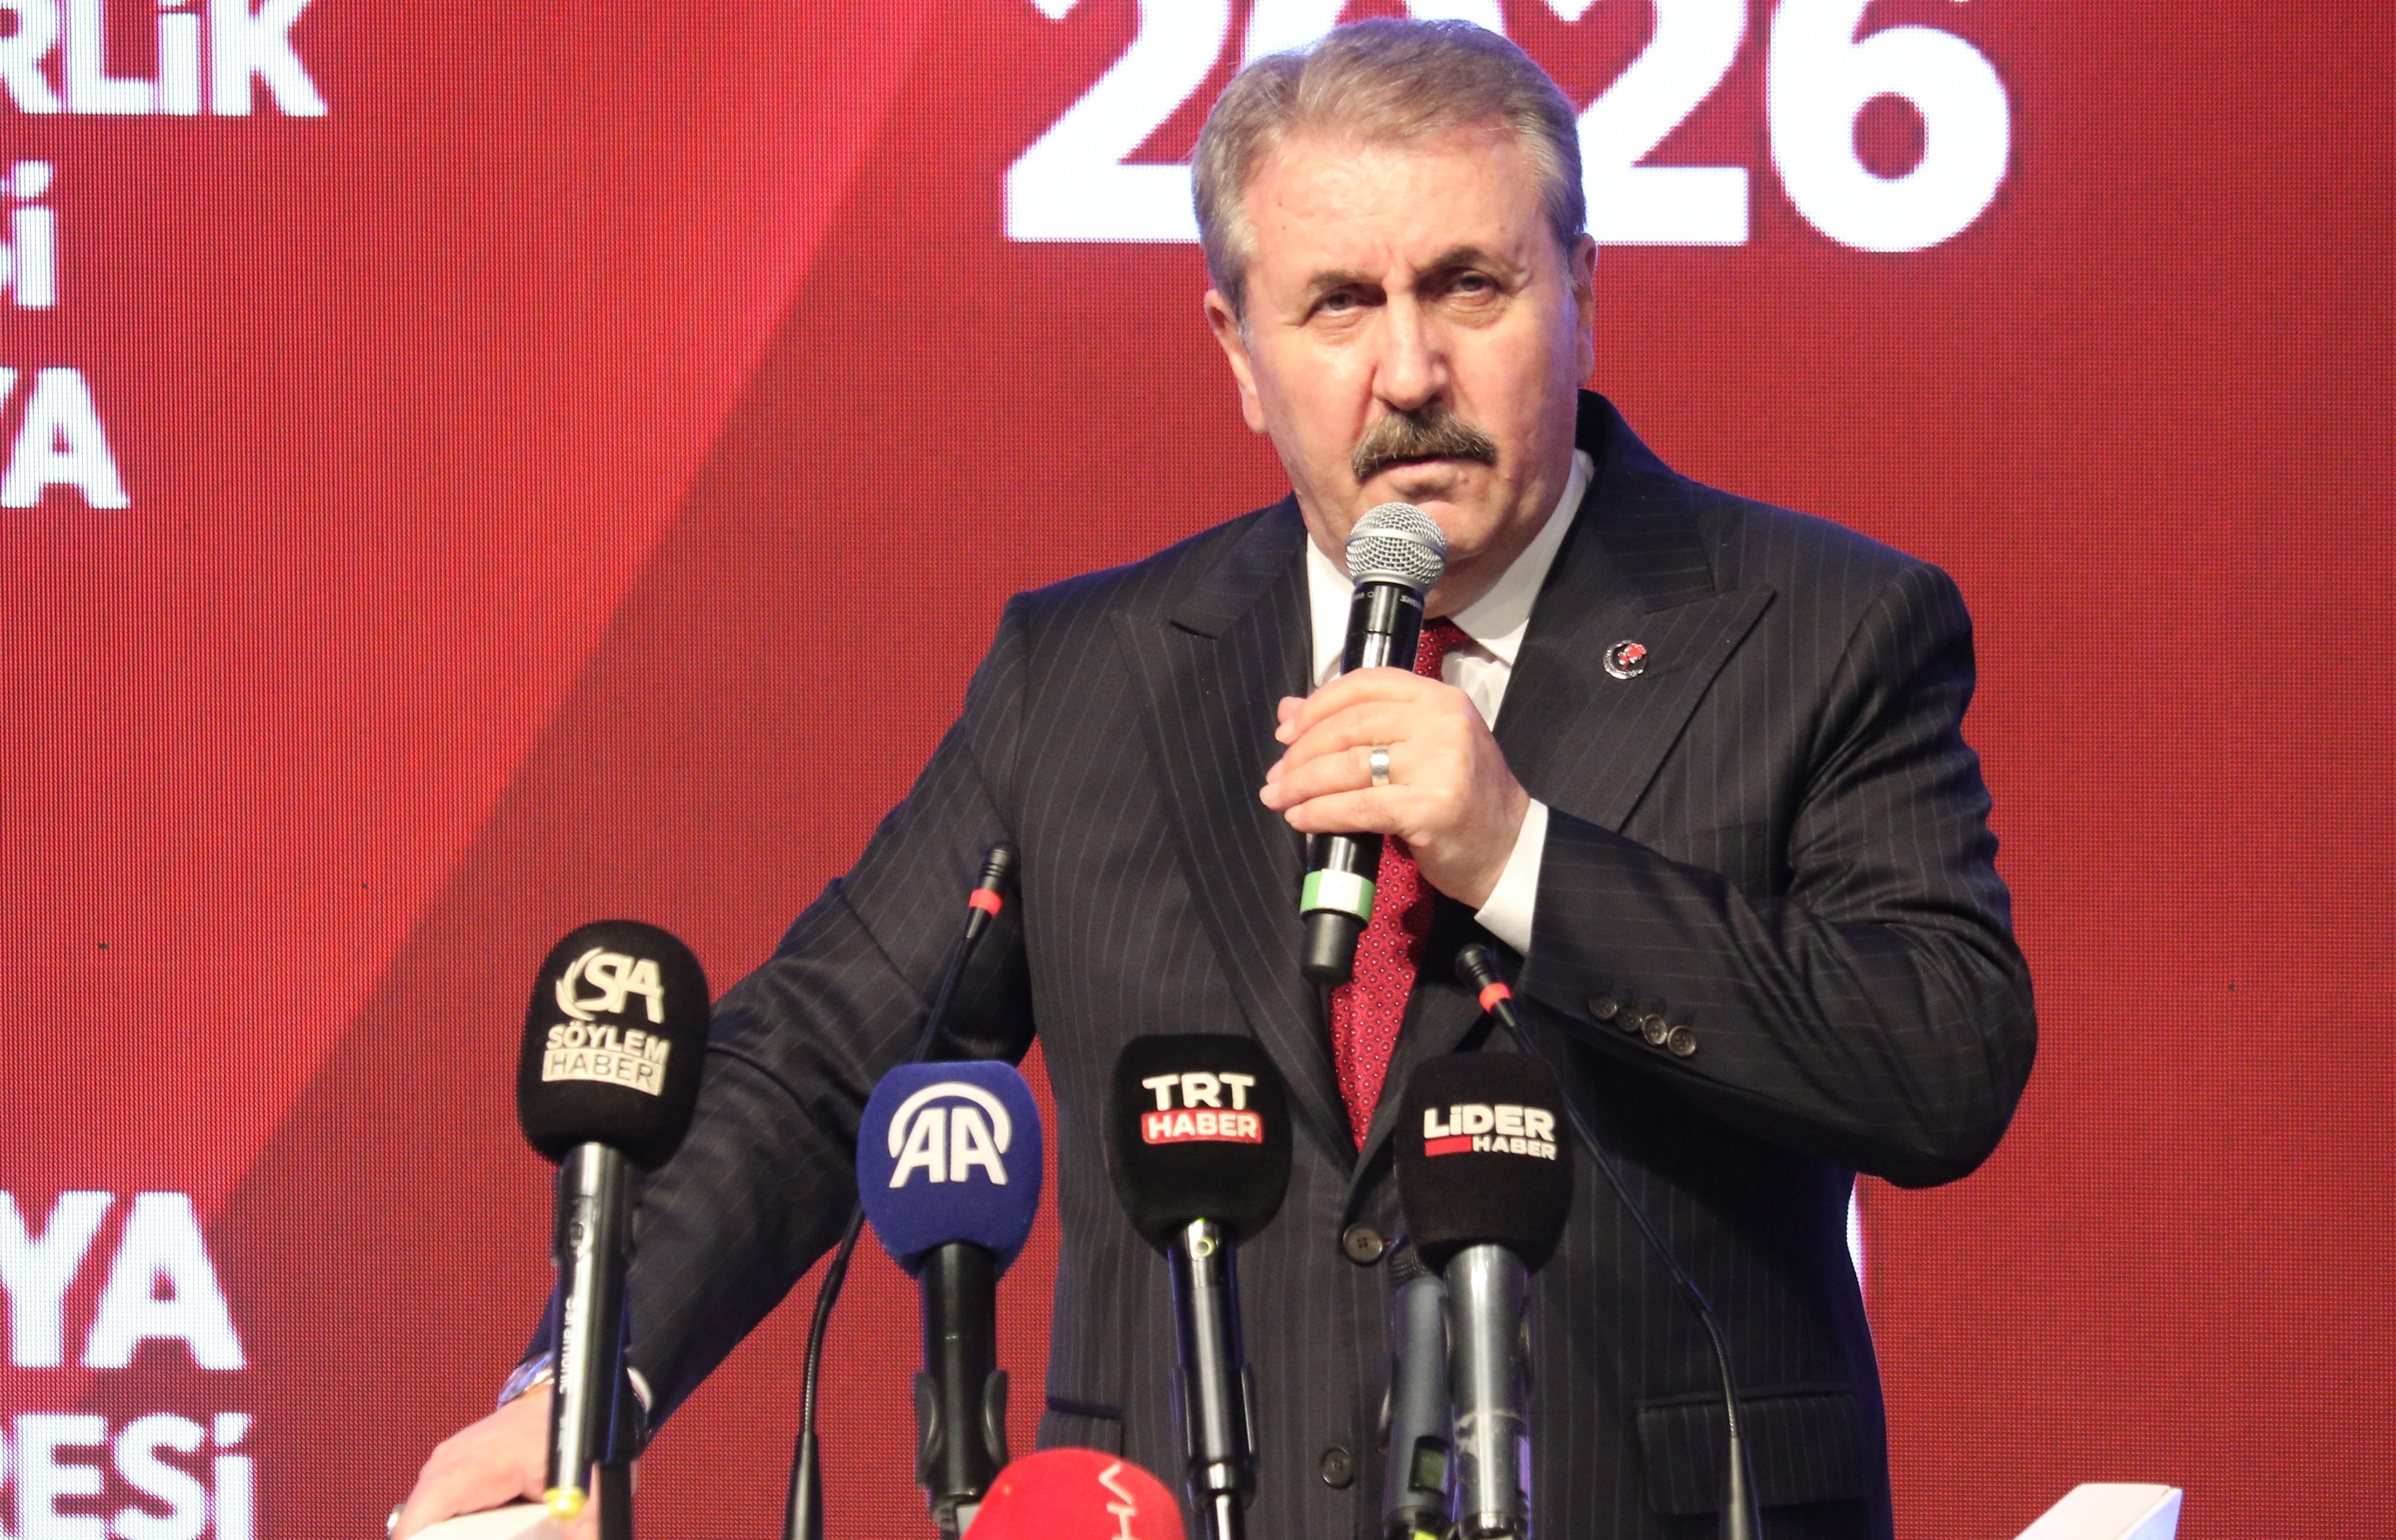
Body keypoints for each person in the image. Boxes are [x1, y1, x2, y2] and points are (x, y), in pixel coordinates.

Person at [397, 20, 2033, 1539]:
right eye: (1338, 306)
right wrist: (577, 1390)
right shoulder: (1089, 673)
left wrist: (1519, 854)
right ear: (1238, 352)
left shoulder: (1819, 627)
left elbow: (1941, 1059)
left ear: (1582, 290)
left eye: (1468, 288)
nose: (1409, 371)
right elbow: (816, 1063)